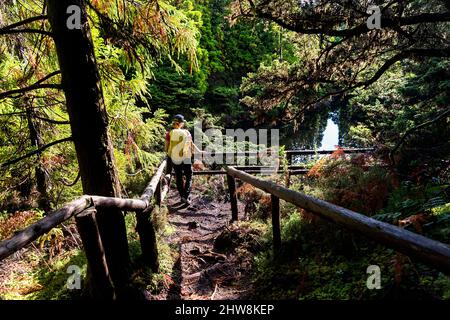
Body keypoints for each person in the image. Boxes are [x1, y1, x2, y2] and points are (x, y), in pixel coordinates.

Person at [165, 114, 203, 205]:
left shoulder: (169, 133)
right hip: (186, 157)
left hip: (174, 158)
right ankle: (186, 196)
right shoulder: (187, 132)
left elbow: (166, 148)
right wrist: (199, 151)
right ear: (181, 123)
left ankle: (182, 196)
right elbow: (191, 144)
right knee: (189, 176)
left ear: (174, 123)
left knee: (178, 177)